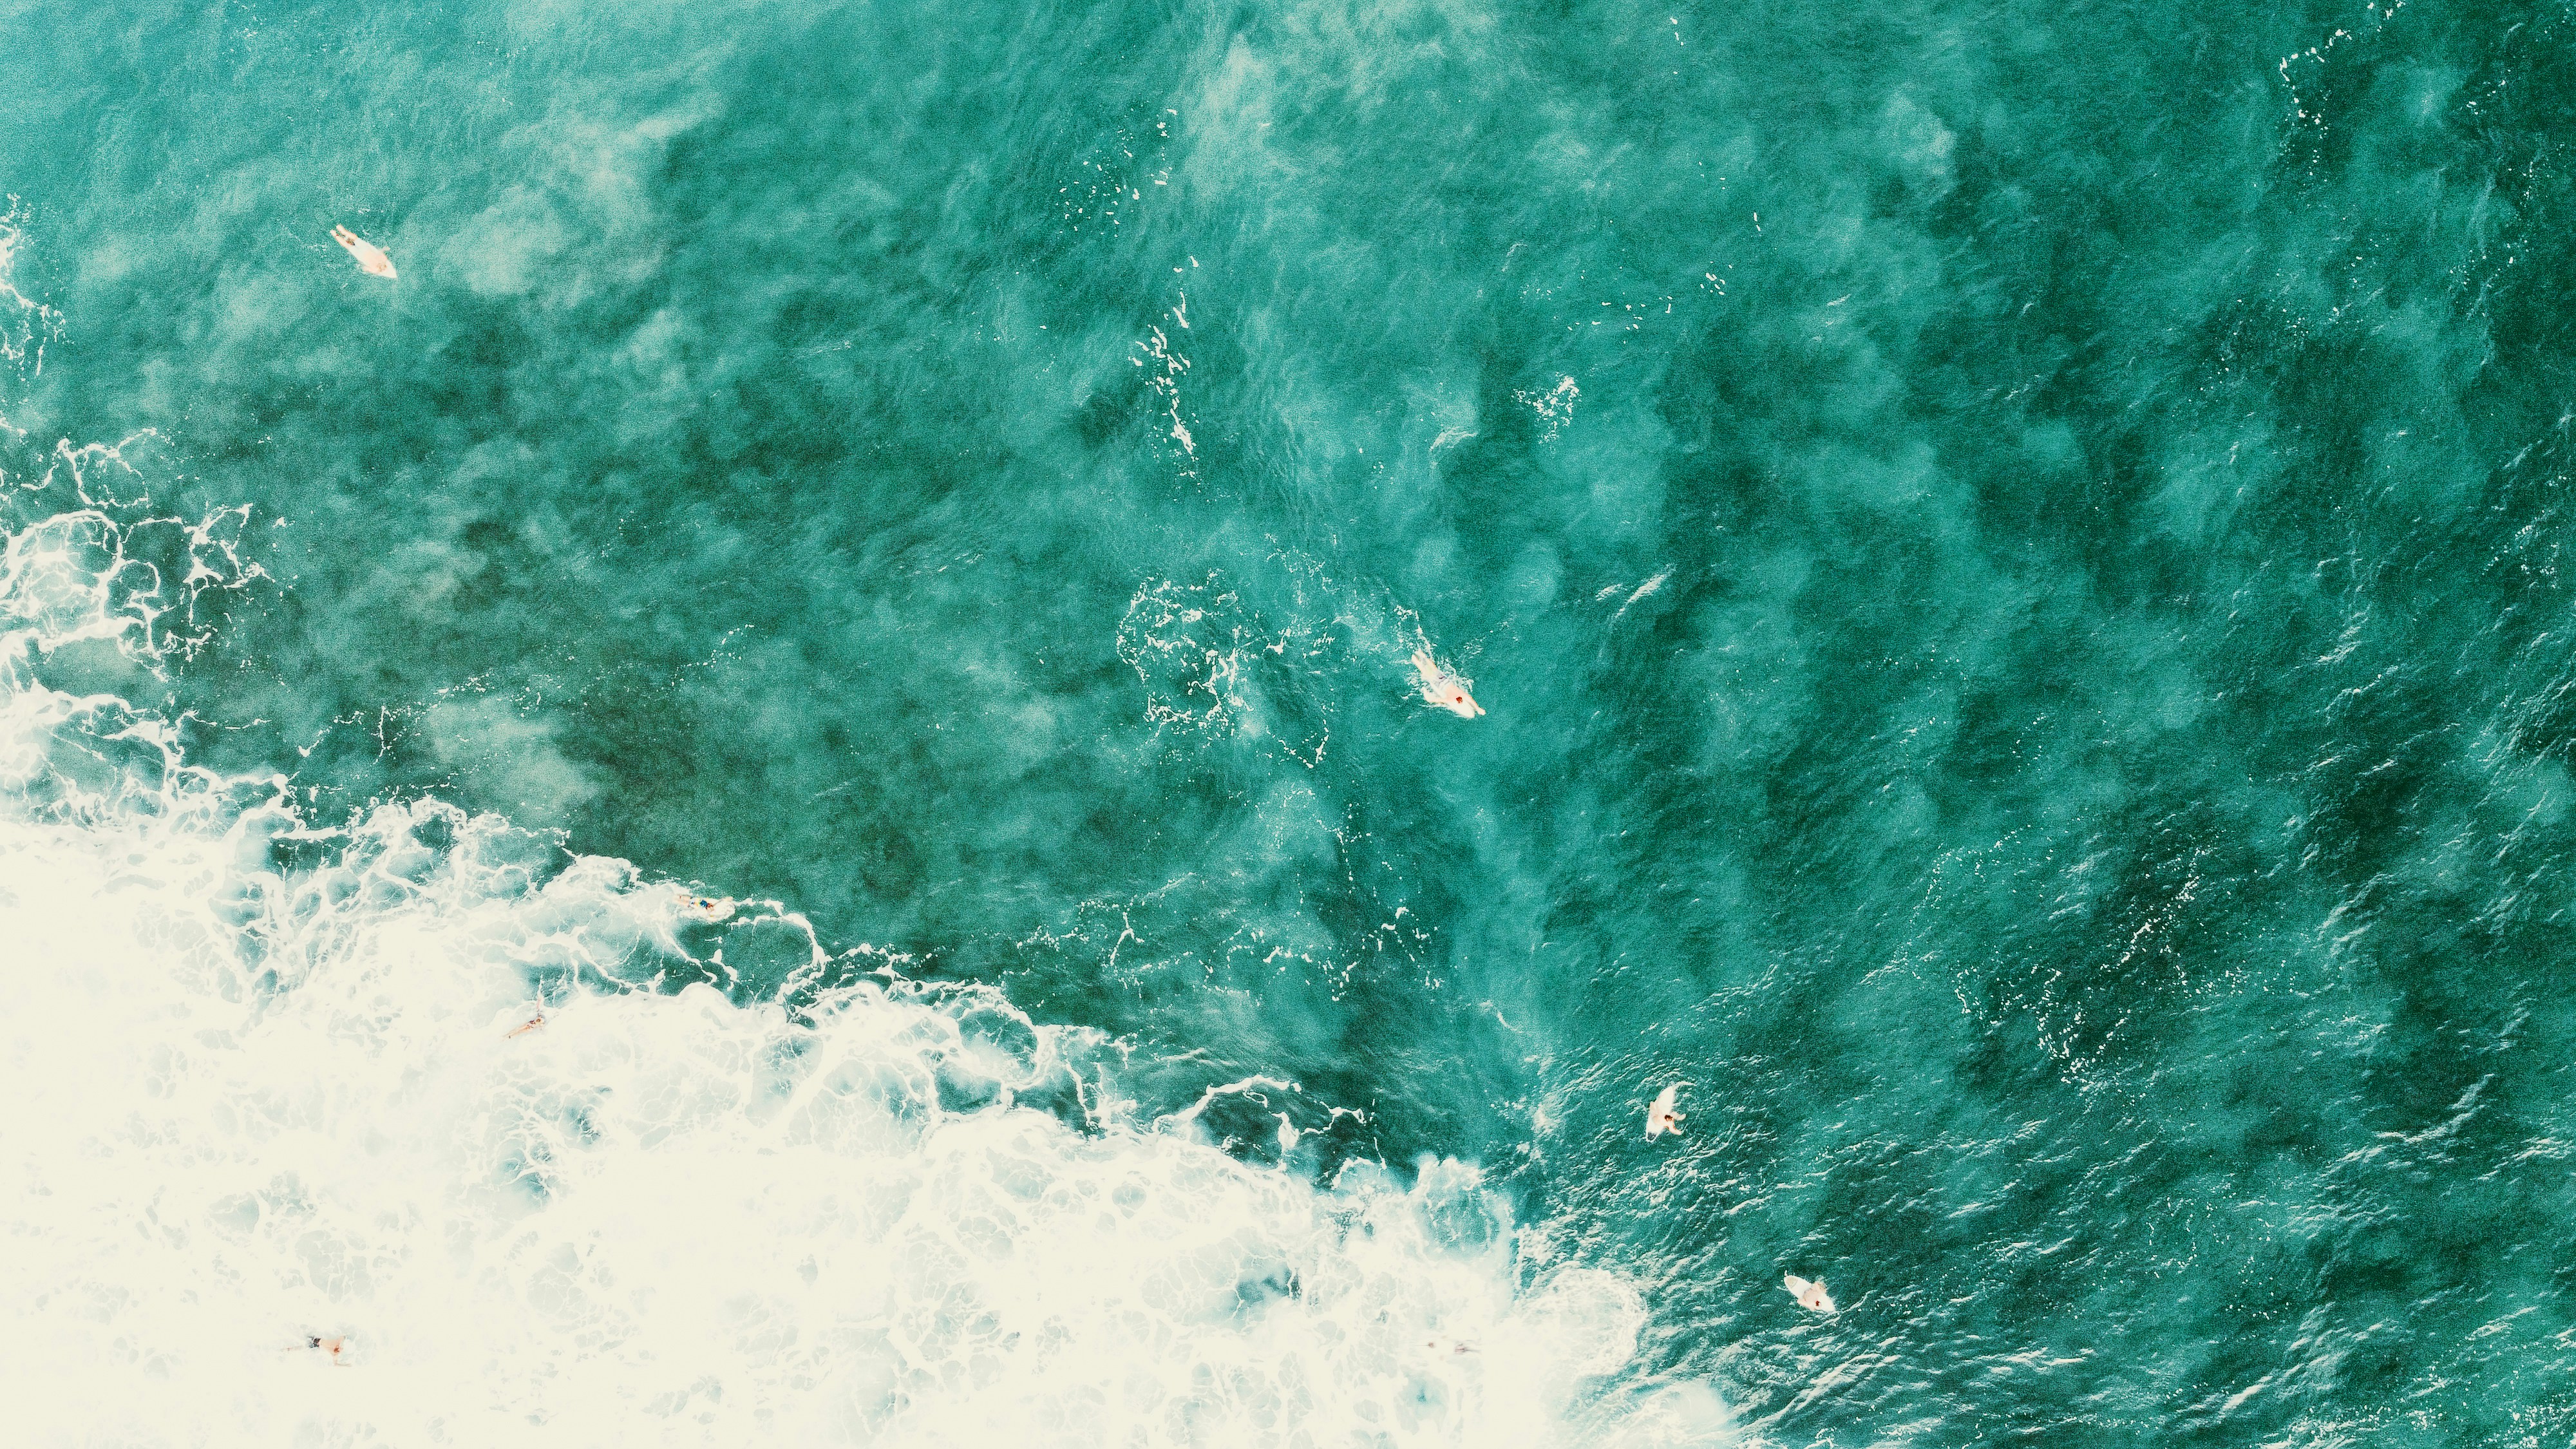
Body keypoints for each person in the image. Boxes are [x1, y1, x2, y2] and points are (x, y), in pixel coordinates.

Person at [330, 225, 396, 279]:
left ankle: (342, 230)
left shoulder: (383, 259)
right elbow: (365, 269)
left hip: (366, 249)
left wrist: (385, 249)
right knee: (348, 246)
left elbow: (382, 252)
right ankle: (335, 234)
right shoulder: (375, 270)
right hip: (361, 256)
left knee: (355, 238)